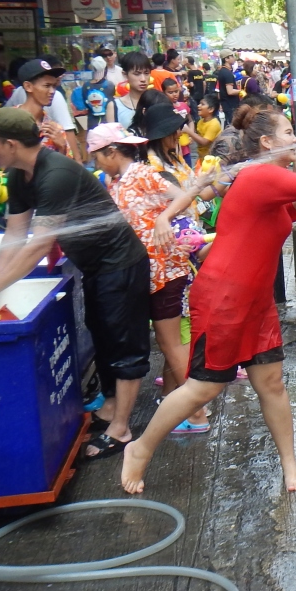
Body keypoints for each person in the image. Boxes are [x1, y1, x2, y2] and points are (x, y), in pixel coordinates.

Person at [120, 107, 296, 494]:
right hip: (224, 297)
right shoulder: (261, 174)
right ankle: (139, 449)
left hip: (255, 300)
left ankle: (290, 466)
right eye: (289, 132)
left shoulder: (269, 178)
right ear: (267, 143)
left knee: (271, 383)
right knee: (203, 387)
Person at [0, 109, 152, 460]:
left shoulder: (56, 173)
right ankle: (110, 408)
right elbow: (15, 236)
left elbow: (37, 245)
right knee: (103, 334)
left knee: (123, 342)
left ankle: (121, 428)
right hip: (95, 266)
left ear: (11, 144)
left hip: (120, 263)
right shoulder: (20, 176)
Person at [90, 122, 213, 433]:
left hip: (167, 270)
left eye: (96, 156)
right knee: (168, 341)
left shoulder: (141, 174)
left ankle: (197, 412)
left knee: (171, 342)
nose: (95, 163)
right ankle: (186, 402)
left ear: (112, 151)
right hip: (150, 273)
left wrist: (163, 217)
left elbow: (184, 196)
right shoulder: (116, 181)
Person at [105, 50, 152, 130]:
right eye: (137, 74)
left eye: (146, 73)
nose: (143, 79)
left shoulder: (157, 102)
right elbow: (112, 137)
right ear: (125, 74)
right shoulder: (114, 106)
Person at [216, 50, 241, 125]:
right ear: (226, 59)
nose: (234, 58)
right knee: (233, 125)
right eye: (232, 56)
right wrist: (241, 91)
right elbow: (230, 91)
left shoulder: (222, 71)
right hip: (231, 105)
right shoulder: (227, 73)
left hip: (226, 104)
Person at [194, 94, 222, 159]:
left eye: (202, 104)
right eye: (199, 104)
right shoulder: (200, 121)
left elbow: (204, 142)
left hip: (211, 159)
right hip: (201, 157)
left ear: (211, 109)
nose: (198, 106)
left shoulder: (214, 124)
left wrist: (189, 132)